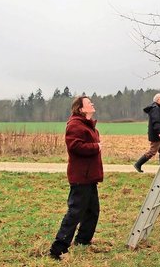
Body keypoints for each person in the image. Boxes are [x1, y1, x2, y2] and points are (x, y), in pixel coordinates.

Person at [50, 96, 103, 260]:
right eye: (88, 103)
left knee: (92, 211)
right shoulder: (75, 125)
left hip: (89, 176)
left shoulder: (88, 125)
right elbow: (74, 146)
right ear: (80, 109)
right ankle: (58, 248)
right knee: (75, 212)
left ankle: (83, 240)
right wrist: (96, 147)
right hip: (81, 176)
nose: (92, 104)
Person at [133, 93, 160, 172]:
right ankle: (138, 164)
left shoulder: (158, 108)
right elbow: (155, 122)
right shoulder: (155, 108)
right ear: (158, 100)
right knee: (152, 151)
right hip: (157, 135)